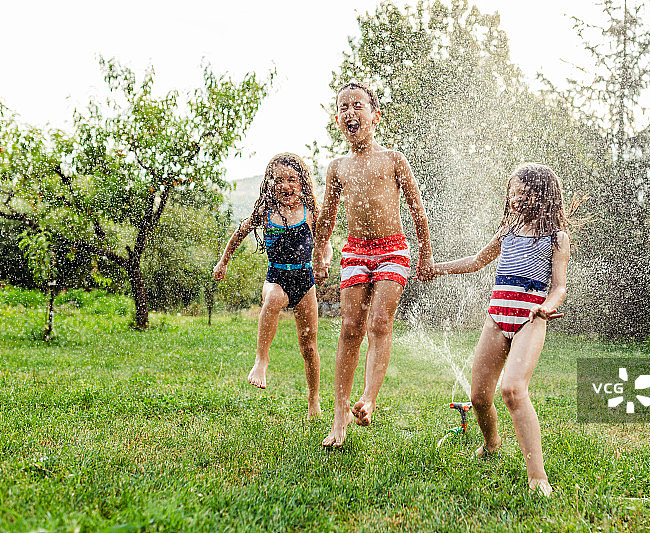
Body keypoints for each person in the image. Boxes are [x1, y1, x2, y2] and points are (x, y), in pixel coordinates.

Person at [432, 163, 575, 496]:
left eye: (524, 192)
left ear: (543, 196)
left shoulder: (557, 238)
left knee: (512, 390)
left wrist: (546, 308)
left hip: (530, 319)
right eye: (512, 191)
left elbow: (559, 287)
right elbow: (475, 262)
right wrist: (436, 269)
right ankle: (492, 445)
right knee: (479, 396)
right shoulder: (507, 231)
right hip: (497, 317)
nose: (515, 198)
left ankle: (537, 476)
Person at [313, 81, 434, 447]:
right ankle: (339, 417)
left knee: (379, 322)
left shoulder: (393, 159)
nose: (350, 112)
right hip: (355, 250)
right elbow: (326, 220)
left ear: (375, 115)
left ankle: (368, 399)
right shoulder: (338, 167)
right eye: (343, 107)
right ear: (338, 120)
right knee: (350, 327)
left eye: (358, 106)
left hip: (393, 250)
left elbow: (417, 209)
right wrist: (320, 255)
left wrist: (425, 254)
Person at [214, 152, 332, 421]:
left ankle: (314, 397)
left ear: (302, 182)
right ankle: (261, 360)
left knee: (309, 347)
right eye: (278, 180)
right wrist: (223, 262)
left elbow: (326, 243)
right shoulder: (265, 212)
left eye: (292, 179)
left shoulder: (312, 212)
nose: (285, 186)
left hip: (305, 281)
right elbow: (239, 233)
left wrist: (324, 261)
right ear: (270, 184)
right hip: (276, 277)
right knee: (274, 299)